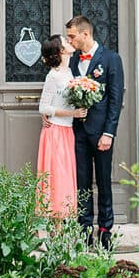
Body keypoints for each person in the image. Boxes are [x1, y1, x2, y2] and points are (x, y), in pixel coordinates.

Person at [66, 14, 125, 250]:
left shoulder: (111, 59)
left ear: (85, 34)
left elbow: (115, 98)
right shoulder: (71, 61)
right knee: (82, 183)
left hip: (101, 133)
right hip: (78, 132)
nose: (69, 42)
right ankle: (84, 229)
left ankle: (105, 230)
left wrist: (109, 133)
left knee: (103, 182)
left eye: (72, 37)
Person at [36, 34, 87, 217]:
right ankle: (44, 227)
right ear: (61, 50)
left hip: (67, 131)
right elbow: (43, 106)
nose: (69, 42)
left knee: (64, 177)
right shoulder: (54, 76)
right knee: (54, 177)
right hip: (55, 131)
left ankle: (59, 227)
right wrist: (71, 113)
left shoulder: (69, 72)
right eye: (65, 41)